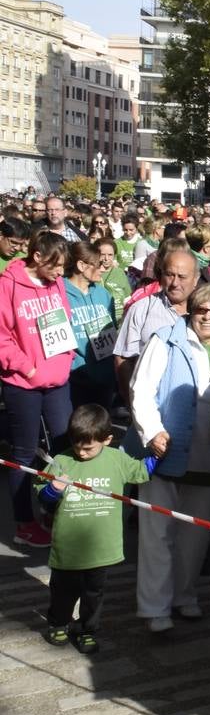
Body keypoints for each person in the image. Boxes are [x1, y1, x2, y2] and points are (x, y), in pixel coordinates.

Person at [126, 282, 210, 632]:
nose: (207, 316)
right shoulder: (166, 339)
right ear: (192, 309)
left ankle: (184, 596)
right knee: (158, 533)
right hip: (167, 451)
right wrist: (152, 431)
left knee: (195, 534)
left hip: (207, 455)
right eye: (202, 309)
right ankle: (155, 608)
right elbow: (140, 390)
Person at [37, 405, 156, 654]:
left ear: (108, 439)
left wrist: (160, 454)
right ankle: (58, 622)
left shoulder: (116, 459)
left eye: (88, 447)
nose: (81, 452)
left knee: (94, 594)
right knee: (62, 591)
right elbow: (43, 499)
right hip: (67, 548)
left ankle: (87, 629)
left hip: (101, 547)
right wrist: (53, 489)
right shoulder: (60, 461)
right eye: (76, 445)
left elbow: (142, 471)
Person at [0, 232, 76, 548]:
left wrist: (65, 359)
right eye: (56, 267)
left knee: (64, 445)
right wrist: (28, 367)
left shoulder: (56, 283)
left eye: (64, 268)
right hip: (22, 384)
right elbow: (2, 336)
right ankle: (24, 523)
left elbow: (64, 320)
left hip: (57, 379)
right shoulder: (8, 285)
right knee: (24, 452)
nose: (61, 274)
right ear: (37, 257)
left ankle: (51, 507)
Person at [113, 248, 200, 405]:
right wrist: (132, 403)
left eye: (182, 277)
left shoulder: (205, 314)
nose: (175, 283)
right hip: (149, 407)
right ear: (161, 276)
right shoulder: (141, 309)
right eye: (169, 275)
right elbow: (123, 358)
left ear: (195, 279)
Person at [62, 241, 118, 411]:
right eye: (98, 263)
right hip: (76, 378)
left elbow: (112, 330)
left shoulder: (104, 294)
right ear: (81, 265)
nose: (103, 267)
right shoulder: (60, 294)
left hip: (104, 378)